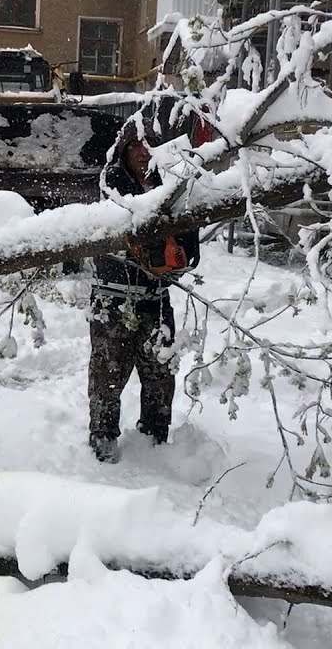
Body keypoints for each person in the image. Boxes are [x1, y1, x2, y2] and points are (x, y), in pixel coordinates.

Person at [86, 128, 201, 464]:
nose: (142, 152)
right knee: (108, 376)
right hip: (113, 299)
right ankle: (103, 443)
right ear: (123, 150)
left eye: (148, 145)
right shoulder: (112, 188)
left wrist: (176, 256)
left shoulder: (174, 188)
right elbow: (112, 233)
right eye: (135, 145)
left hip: (157, 300)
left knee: (160, 376)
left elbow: (190, 249)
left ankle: (154, 443)